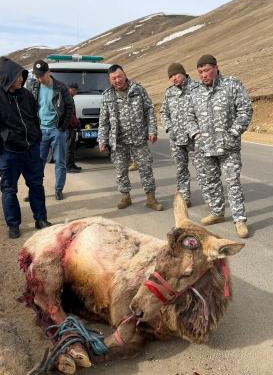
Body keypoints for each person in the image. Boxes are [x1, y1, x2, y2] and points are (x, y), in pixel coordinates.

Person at [0, 57, 52, 239]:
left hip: (31, 151)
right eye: (18, 76)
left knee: (37, 185)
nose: (21, 79)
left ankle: (41, 219)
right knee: (9, 189)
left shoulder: (26, 95)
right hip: (9, 153)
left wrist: (37, 138)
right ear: (8, 77)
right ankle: (13, 225)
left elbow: (34, 119)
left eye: (22, 76)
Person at [187, 54, 253, 238]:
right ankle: (217, 212)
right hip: (205, 147)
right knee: (211, 181)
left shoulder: (232, 85)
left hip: (228, 147)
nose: (204, 75)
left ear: (216, 68)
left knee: (233, 183)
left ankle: (239, 220)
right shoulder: (195, 91)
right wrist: (196, 134)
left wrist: (233, 132)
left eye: (207, 70)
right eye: (200, 72)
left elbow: (245, 110)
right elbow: (189, 117)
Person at [97, 64, 163, 211]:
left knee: (146, 169)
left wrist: (152, 130)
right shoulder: (107, 95)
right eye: (113, 78)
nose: (117, 80)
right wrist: (102, 139)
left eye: (119, 76)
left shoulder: (138, 90)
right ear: (110, 80)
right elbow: (103, 121)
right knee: (121, 171)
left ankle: (151, 199)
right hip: (118, 141)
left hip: (139, 139)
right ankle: (125, 197)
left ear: (125, 75)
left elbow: (149, 111)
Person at [28, 60, 74, 200]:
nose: (39, 79)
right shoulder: (35, 87)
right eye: (36, 76)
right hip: (41, 131)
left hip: (57, 130)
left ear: (49, 72)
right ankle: (34, 190)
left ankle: (58, 189)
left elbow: (69, 107)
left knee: (60, 162)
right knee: (38, 163)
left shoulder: (61, 87)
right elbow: (31, 107)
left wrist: (62, 127)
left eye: (41, 76)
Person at [160, 62, 199, 207]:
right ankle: (184, 198)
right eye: (171, 76)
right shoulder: (169, 92)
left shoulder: (197, 88)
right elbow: (164, 113)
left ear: (183, 73)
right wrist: (169, 128)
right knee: (181, 170)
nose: (174, 78)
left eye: (176, 74)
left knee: (202, 169)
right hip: (176, 139)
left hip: (194, 139)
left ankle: (211, 198)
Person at [66, 83, 82, 173]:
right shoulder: (67, 98)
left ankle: (72, 164)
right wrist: (77, 123)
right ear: (70, 89)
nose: (76, 92)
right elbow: (70, 115)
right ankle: (68, 167)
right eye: (75, 90)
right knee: (68, 147)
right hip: (68, 127)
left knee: (72, 147)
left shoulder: (70, 98)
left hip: (71, 126)